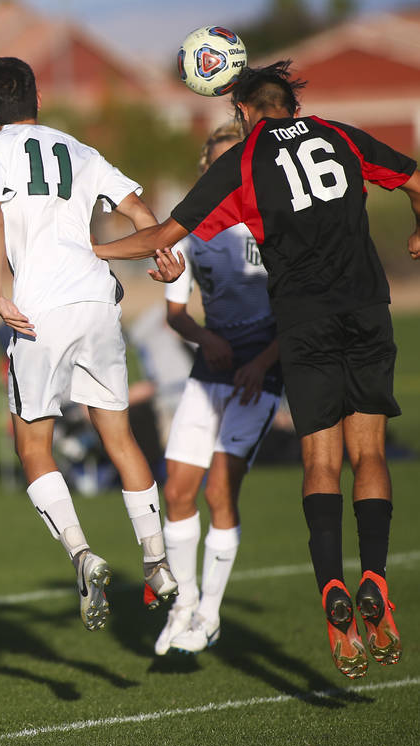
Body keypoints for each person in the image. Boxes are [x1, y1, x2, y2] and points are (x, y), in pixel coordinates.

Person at [95, 61, 420, 678]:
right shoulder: (342, 136)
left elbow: (161, 234)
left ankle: (332, 588)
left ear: (243, 112)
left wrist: (88, 251)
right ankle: (375, 573)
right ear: (291, 105)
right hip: (366, 309)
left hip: (302, 323)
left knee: (321, 462)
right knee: (369, 454)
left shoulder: (241, 163)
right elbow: (416, 180)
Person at [0, 57, 185, 632]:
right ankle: (158, 562)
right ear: (38, 98)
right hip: (97, 303)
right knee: (117, 432)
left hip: (39, 312)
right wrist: (162, 253)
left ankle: (82, 554)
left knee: (32, 445)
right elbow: (140, 212)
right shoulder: (80, 151)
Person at [153, 123, 284, 657]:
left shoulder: (277, 226)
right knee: (178, 489)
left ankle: (209, 613)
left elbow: (302, 312)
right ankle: (183, 605)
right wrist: (205, 336)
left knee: (218, 492)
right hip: (212, 368)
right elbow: (176, 316)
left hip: (266, 367)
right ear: (205, 171)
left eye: (240, 164)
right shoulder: (192, 230)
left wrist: (263, 361)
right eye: (219, 165)